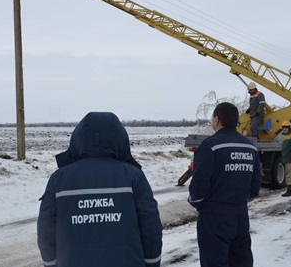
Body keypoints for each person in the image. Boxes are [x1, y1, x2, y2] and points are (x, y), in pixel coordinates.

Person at [37, 111, 163, 267]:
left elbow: (46, 230)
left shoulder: (59, 179)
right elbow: (150, 227)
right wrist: (152, 263)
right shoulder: (133, 177)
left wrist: (51, 264)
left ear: (78, 138)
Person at [188, 102, 262, 267]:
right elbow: (255, 186)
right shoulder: (250, 147)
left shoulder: (210, 146)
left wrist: (198, 203)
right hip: (240, 215)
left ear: (216, 119)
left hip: (214, 216)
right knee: (240, 260)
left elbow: (198, 186)